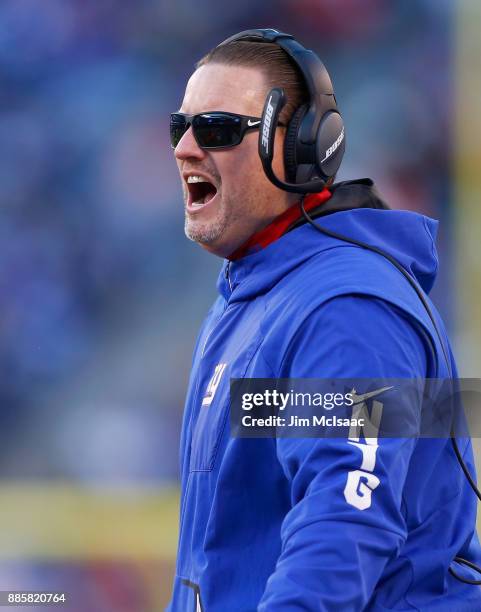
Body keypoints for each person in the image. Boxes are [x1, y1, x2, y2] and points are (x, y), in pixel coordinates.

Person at [166, 29, 481, 611]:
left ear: (307, 147)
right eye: (179, 128)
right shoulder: (258, 296)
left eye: (216, 129)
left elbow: (342, 529)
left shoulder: (347, 310)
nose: (185, 148)